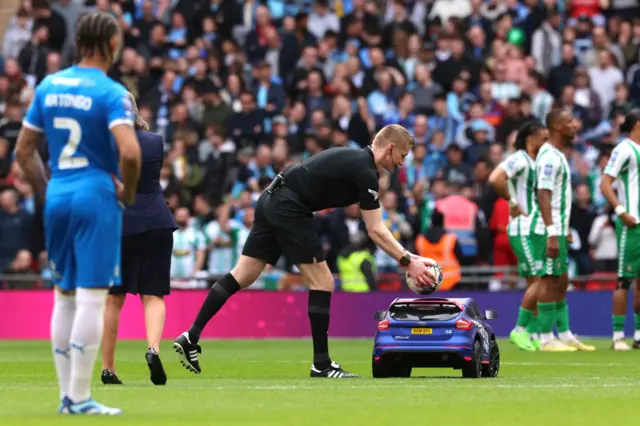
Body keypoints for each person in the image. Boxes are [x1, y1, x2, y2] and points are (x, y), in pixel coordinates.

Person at [173, 124, 437, 378]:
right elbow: (375, 229)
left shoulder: (357, 160)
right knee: (323, 281)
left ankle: (190, 336)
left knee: (244, 274)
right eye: (402, 156)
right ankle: (321, 364)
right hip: (289, 206)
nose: (402, 163)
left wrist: (409, 258)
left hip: (271, 198)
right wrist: (407, 260)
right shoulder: (366, 171)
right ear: (390, 148)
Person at [14, 12, 141, 414]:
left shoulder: (48, 85)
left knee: (63, 295)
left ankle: (66, 396)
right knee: (92, 295)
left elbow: (23, 150)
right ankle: (81, 396)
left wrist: (47, 191)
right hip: (95, 194)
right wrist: (128, 193)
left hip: (59, 195)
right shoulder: (110, 92)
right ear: (111, 43)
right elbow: (131, 151)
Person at [101, 93, 177, 385]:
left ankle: (109, 368)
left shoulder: (104, 144)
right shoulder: (155, 141)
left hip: (120, 224)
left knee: (113, 299)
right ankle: (153, 348)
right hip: (157, 221)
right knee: (153, 295)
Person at [530, 109, 594, 352]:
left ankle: (565, 335)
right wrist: (552, 232)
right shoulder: (548, 157)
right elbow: (543, 195)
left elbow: (557, 197)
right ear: (557, 127)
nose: (575, 125)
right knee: (548, 281)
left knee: (561, 281)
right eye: (569, 122)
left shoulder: (557, 155)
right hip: (547, 229)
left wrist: (563, 228)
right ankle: (546, 338)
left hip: (558, 227)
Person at [488, 121, 548, 351]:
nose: (545, 143)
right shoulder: (520, 158)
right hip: (522, 227)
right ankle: (520, 330)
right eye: (542, 139)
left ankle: (532, 332)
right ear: (530, 139)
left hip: (534, 227)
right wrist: (511, 201)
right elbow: (495, 178)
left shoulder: (535, 162)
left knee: (536, 281)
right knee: (538, 280)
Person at [600, 108, 640, 351]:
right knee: (623, 280)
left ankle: (638, 334)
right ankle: (617, 336)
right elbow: (605, 182)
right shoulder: (623, 149)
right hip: (631, 223)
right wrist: (619, 210)